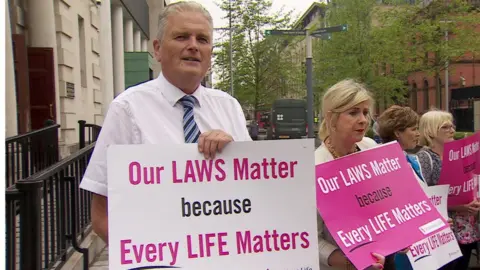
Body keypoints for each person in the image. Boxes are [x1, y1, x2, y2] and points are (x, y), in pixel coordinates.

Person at [79, 1, 252, 244]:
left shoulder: (229, 107)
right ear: (158, 49)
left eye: (202, 39)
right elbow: (102, 216)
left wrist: (235, 154)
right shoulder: (127, 109)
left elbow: (254, 194)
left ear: (210, 54)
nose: (193, 46)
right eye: (182, 37)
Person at [315, 79, 386, 270]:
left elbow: (391, 204)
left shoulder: (371, 147)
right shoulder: (316, 166)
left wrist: (402, 237)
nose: (363, 119)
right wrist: (349, 261)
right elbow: (311, 238)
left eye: (365, 112)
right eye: (353, 112)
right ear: (331, 118)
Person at [417, 110, 480, 270]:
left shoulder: (458, 153)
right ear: (431, 130)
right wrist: (457, 207)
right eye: (445, 127)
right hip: (443, 231)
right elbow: (422, 197)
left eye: (452, 126)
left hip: (466, 227)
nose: (452, 130)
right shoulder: (425, 158)